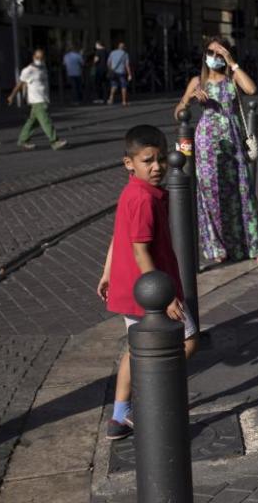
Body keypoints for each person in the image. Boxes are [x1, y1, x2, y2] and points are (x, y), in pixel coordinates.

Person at [96, 125, 199, 440]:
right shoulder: (143, 198)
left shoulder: (132, 191)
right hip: (150, 291)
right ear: (129, 163)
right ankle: (149, 402)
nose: (157, 167)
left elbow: (118, 236)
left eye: (160, 160)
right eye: (147, 161)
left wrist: (107, 272)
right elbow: (140, 249)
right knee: (188, 341)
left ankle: (118, 415)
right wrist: (165, 297)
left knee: (136, 349)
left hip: (130, 287)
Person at [175, 38, 258, 263]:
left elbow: (252, 89)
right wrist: (189, 98)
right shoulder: (198, 81)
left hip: (233, 139)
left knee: (242, 191)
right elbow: (178, 111)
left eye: (220, 53)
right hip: (207, 143)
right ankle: (217, 247)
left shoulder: (232, 78)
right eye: (210, 52)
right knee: (210, 194)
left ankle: (253, 246)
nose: (214, 58)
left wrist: (231, 62)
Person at [6, 48, 68, 151]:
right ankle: (54, 141)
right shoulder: (28, 70)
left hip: (44, 99)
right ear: (34, 57)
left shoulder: (43, 67)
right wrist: (12, 96)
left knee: (33, 122)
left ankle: (22, 140)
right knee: (46, 120)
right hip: (37, 100)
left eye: (42, 57)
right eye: (38, 57)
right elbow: (20, 84)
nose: (40, 59)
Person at [107, 41, 133, 106]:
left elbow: (108, 63)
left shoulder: (112, 52)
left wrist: (110, 70)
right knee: (123, 86)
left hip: (113, 72)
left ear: (118, 47)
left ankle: (111, 98)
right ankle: (124, 101)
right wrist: (129, 74)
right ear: (124, 47)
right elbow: (127, 65)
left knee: (114, 86)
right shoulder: (125, 54)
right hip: (121, 72)